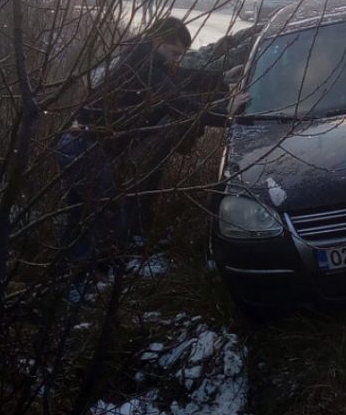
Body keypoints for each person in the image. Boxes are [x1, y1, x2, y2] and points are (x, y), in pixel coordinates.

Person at [56, 17, 247, 280]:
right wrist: (226, 112)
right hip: (84, 146)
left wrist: (220, 77)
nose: (175, 60)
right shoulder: (142, 65)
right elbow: (176, 102)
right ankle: (90, 278)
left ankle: (67, 278)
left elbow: (179, 77)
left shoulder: (142, 56)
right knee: (108, 213)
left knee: (82, 216)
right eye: (173, 53)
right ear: (158, 41)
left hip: (78, 143)